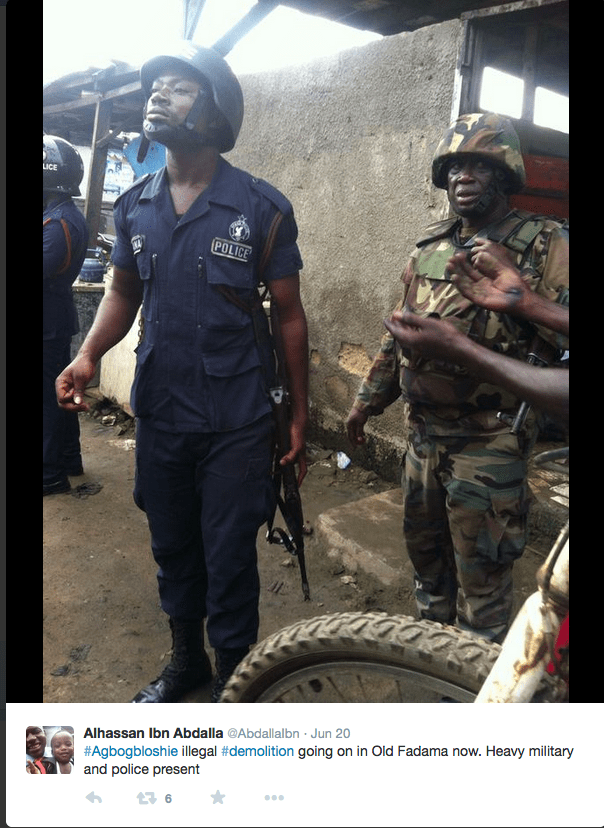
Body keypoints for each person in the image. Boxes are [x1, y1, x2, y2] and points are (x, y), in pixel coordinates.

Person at [56, 42, 308, 703]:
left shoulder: (261, 207)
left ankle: (235, 679)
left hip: (237, 418)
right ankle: (185, 661)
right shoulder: (136, 205)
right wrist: (88, 354)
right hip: (163, 409)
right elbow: (122, 292)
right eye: (155, 87)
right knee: (172, 542)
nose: (158, 96)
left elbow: (289, 319)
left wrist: (299, 417)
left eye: (179, 87)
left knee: (228, 554)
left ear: (215, 107)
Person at [347, 112, 568, 643]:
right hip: (422, 439)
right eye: (453, 167)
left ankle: (475, 694)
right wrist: (365, 404)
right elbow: (394, 337)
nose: (463, 177)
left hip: (488, 443)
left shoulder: (544, 242)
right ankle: (434, 661)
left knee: (484, 588)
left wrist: (523, 304)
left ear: (506, 173)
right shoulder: (428, 249)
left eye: (479, 166)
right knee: (428, 572)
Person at [384, 240, 568, 426]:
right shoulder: (433, 241)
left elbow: (562, 392)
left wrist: (464, 350)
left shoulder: (549, 239)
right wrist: (528, 302)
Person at [43, 135, 89, 495]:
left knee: (46, 399)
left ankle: (49, 474)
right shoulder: (58, 217)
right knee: (57, 395)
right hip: (53, 319)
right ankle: (69, 460)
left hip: (48, 323)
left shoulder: (58, 224)